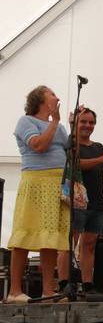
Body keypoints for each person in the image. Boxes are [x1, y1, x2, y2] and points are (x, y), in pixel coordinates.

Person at [5, 86, 70, 302]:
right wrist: (54, 122)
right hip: (35, 183)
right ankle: (15, 291)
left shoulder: (60, 127)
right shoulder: (26, 122)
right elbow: (39, 146)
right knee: (25, 233)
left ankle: (48, 291)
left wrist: (72, 125)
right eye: (52, 94)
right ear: (40, 100)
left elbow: (70, 153)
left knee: (49, 237)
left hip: (56, 185)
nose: (57, 97)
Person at [61, 108, 103, 294]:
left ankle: (87, 284)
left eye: (91, 122)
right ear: (76, 124)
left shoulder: (98, 147)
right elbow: (76, 164)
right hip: (76, 202)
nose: (88, 126)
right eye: (84, 122)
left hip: (96, 203)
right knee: (68, 245)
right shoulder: (71, 144)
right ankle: (63, 284)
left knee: (89, 245)